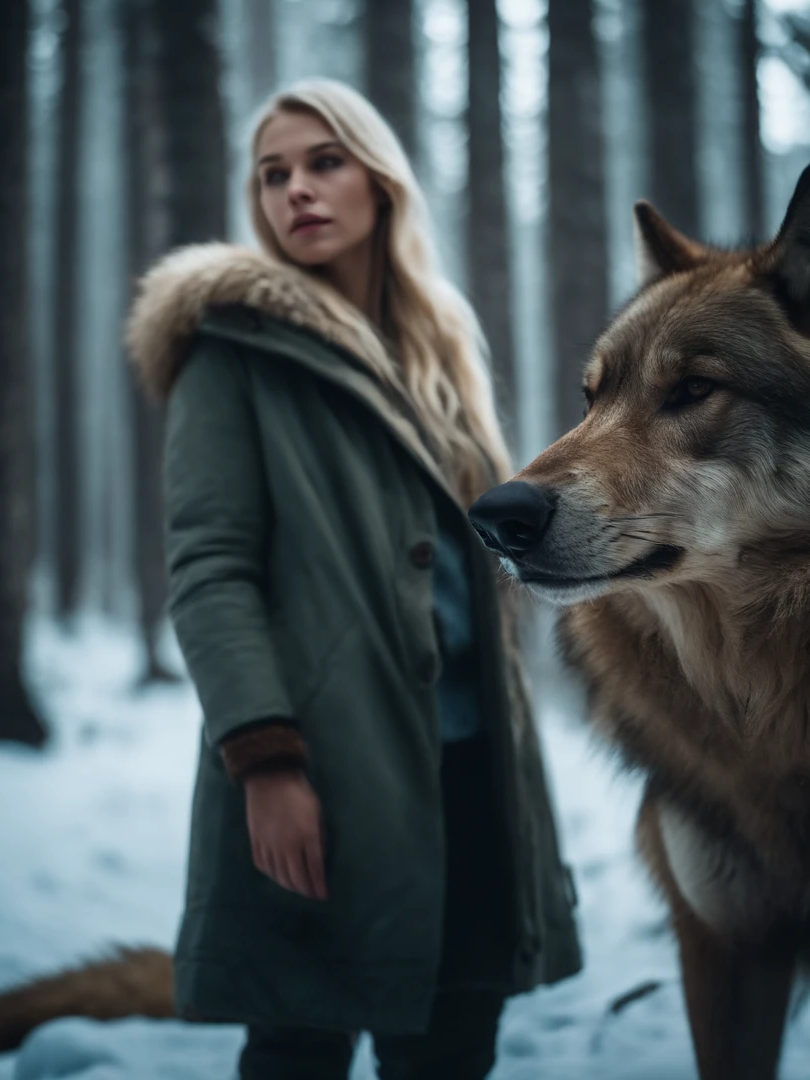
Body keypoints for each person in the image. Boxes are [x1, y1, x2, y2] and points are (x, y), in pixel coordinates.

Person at [126, 78, 581, 1080]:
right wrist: (266, 759)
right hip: (322, 767)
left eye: (323, 162)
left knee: (453, 1046)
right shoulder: (231, 348)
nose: (297, 190)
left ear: (380, 182)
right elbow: (210, 567)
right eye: (274, 173)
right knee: (298, 1044)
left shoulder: (440, 347)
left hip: (472, 771)